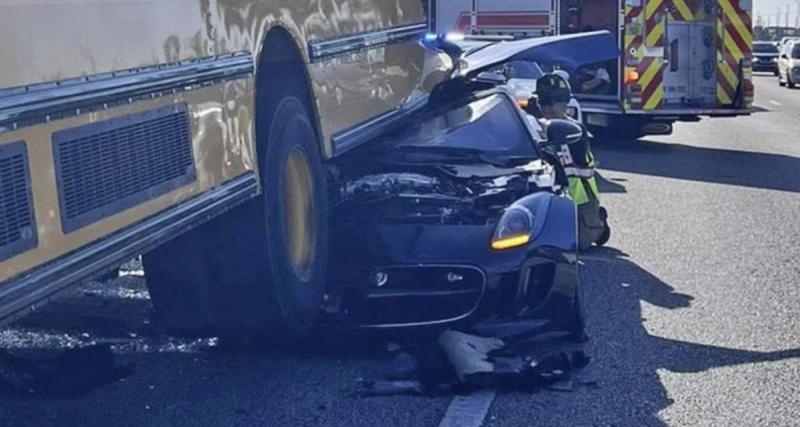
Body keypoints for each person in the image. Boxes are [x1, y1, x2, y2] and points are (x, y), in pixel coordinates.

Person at [534, 73, 610, 250]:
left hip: (578, 199)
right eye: (542, 102)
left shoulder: (574, 131)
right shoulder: (534, 127)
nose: (546, 108)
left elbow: (554, 135)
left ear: (564, 103)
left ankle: (599, 224)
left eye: (551, 103)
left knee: (574, 244)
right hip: (548, 195)